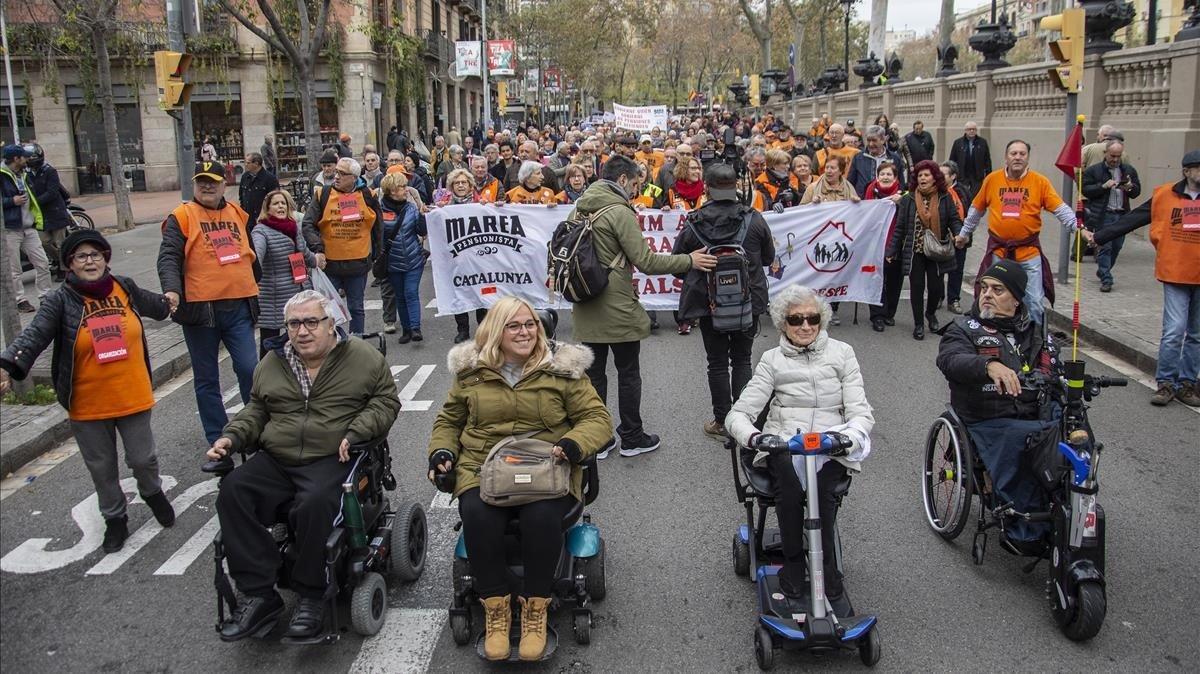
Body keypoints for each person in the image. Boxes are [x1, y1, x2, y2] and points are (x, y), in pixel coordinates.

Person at [207, 290, 399, 642]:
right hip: (278, 456)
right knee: (233, 491)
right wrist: (231, 438)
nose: (302, 331)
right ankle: (260, 594)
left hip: (333, 455)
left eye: (311, 322)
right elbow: (257, 410)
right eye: (294, 323)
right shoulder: (273, 361)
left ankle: (312, 594)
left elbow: (385, 402)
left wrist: (356, 432)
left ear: (331, 324)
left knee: (315, 503)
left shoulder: (362, 357)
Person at [427, 296, 611, 661]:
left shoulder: (563, 370)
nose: (525, 332)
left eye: (530, 324)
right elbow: (449, 421)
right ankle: (496, 608)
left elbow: (597, 418)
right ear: (496, 331)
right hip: (483, 466)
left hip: (546, 466)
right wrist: (442, 452)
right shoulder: (471, 373)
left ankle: (535, 609)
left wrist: (574, 443)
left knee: (539, 516)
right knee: (477, 513)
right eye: (514, 326)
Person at [1, 230, 175, 553]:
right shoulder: (60, 300)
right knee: (102, 468)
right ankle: (115, 519)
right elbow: (34, 335)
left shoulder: (124, 286)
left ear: (105, 259)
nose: (90, 261)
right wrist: (8, 364)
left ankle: (152, 491)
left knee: (143, 459)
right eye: (81, 256)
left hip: (132, 393)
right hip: (88, 402)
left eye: (96, 254)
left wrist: (172, 300)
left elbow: (158, 306)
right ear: (70, 264)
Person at [725, 285, 873, 611]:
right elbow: (737, 415)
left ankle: (828, 573)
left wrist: (850, 436)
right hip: (785, 443)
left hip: (830, 443)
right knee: (789, 491)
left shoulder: (843, 353)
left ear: (822, 319)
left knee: (823, 493)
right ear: (783, 324)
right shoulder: (772, 360)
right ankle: (792, 566)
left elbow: (861, 412)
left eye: (812, 318)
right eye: (796, 319)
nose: (806, 326)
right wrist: (756, 438)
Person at [570, 155, 716, 458]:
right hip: (617, 305)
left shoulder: (579, 207)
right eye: (635, 184)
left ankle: (598, 438)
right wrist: (689, 260)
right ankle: (632, 436)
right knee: (628, 373)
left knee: (594, 376)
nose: (636, 190)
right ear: (622, 179)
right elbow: (646, 261)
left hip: (585, 301)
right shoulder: (619, 211)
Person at [936, 261, 1062, 553]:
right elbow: (950, 360)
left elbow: (1054, 371)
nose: (987, 295)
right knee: (1023, 439)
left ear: (1016, 299)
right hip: (988, 416)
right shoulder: (964, 329)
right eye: (984, 288)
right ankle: (1025, 527)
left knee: (1073, 429)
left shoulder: (1037, 333)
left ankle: (1072, 503)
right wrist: (988, 365)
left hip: (1034, 411)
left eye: (997, 290)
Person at [158, 161, 260, 446]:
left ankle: (253, 428)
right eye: (201, 181)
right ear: (194, 184)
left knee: (249, 369)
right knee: (206, 378)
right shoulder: (181, 216)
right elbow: (168, 256)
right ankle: (217, 436)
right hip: (201, 312)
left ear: (224, 185)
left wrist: (258, 281)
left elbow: (250, 253)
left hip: (238, 306)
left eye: (213, 181)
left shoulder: (237, 213)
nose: (207, 186)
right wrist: (172, 290)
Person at [672, 163, 774, 438]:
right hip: (748, 301)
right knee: (742, 359)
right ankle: (742, 421)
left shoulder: (693, 222)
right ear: (735, 187)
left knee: (716, 363)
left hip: (709, 303)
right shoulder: (754, 219)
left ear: (706, 188)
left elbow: (678, 265)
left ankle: (721, 421)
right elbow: (768, 258)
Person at [1093, 149, 1200, 407]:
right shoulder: (1165, 195)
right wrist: (1099, 237)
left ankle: (1187, 384)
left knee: (1196, 334)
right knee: (1174, 330)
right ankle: (1166, 383)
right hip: (1175, 272)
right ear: (1186, 171)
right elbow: (1135, 218)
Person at [955, 140, 1080, 325]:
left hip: (1028, 253)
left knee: (1034, 302)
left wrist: (1078, 227)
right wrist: (964, 234)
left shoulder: (1040, 181)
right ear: (1006, 157)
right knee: (992, 299)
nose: (1018, 157)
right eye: (1013, 153)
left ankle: (1036, 338)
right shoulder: (992, 180)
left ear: (1028, 158)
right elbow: (976, 210)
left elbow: (1060, 209)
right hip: (999, 252)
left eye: (1022, 154)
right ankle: (993, 334)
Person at [301, 157, 383, 335]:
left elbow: (378, 227)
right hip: (329, 264)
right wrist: (318, 249)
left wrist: (377, 254)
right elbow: (307, 224)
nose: (336, 176)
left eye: (342, 173)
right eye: (336, 172)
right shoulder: (322, 194)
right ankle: (331, 342)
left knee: (356, 307)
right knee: (327, 309)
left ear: (354, 177)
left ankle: (356, 343)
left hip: (358, 262)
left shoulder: (368, 195)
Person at [886, 160, 963, 340]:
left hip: (937, 250)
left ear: (935, 178)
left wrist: (959, 234)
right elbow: (900, 228)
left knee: (936, 288)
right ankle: (919, 324)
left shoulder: (945, 197)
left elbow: (954, 219)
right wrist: (892, 250)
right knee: (917, 288)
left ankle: (930, 313)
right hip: (915, 251)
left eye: (926, 175)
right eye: (920, 175)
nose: (923, 178)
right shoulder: (908, 199)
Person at [252, 189, 315, 357]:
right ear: (267, 208)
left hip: (297, 292)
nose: (280, 206)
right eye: (275, 204)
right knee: (269, 344)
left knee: (297, 339)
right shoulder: (261, 231)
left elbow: (304, 253)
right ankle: (268, 373)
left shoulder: (293, 227)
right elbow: (257, 256)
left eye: (283, 203)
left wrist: (317, 260)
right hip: (273, 297)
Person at [1081, 140, 1141, 293]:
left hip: (1122, 215)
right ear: (1105, 153)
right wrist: (1103, 186)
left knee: (1117, 246)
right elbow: (1085, 190)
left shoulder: (1128, 170)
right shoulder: (1094, 170)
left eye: (1118, 156)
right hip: (1104, 214)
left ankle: (1103, 270)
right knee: (1105, 247)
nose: (1115, 159)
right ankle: (1106, 278)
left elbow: (1136, 192)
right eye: (1112, 156)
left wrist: (1130, 187)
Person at [2, 144, 53, 312]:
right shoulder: (2, 176)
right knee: (14, 269)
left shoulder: (24, 174)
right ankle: (20, 300)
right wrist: (11, 201)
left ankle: (45, 296)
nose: (27, 159)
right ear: (16, 159)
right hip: (10, 229)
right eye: (24, 157)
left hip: (29, 227)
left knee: (42, 262)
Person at [378, 171, 428, 344]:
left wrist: (422, 216)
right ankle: (406, 329)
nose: (407, 189)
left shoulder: (411, 208)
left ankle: (415, 328)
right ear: (392, 190)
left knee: (411, 292)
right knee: (399, 296)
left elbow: (421, 231)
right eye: (403, 187)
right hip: (393, 261)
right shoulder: (379, 211)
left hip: (413, 259)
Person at [865, 161, 905, 332]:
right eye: (882, 174)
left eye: (889, 174)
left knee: (894, 280)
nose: (885, 177)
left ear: (895, 178)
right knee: (875, 279)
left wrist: (901, 203)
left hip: (897, 243)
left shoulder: (904, 195)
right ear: (877, 176)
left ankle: (889, 313)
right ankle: (877, 315)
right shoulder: (870, 191)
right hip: (875, 243)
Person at [25, 143, 71, 282]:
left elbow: (52, 191)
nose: (29, 160)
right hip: (40, 214)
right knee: (44, 241)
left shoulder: (49, 171)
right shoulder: (27, 173)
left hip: (55, 211)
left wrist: (35, 202)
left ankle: (64, 269)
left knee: (60, 242)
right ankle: (57, 259)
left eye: (32, 157)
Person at [940, 160, 972, 315]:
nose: (939, 176)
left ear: (953, 176)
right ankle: (938, 296)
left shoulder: (963, 191)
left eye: (943, 174)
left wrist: (964, 233)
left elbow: (971, 213)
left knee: (957, 270)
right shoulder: (935, 189)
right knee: (938, 269)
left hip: (959, 236)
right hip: (940, 236)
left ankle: (953, 300)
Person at [849, 125, 905, 197]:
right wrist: (853, 196)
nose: (870, 144)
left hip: (888, 200)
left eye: (874, 140)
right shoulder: (858, 158)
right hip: (863, 200)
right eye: (868, 140)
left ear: (883, 140)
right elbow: (850, 182)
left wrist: (899, 195)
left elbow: (900, 182)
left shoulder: (894, 158)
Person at [947, 122, 991, 200]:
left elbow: (987, 160)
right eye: (969, 129)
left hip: (977, 175)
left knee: (976, 196)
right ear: (965, 130)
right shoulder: (958, 143)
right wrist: (952, 174)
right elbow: (952, 160)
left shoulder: (982, 142)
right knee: (963, 195)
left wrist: (988, 176)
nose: (971, 131)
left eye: (974, 129)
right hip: (962, 175)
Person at [238, 152, 279, 233]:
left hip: (263, 220)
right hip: (247, 220)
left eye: (248, 163)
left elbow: (276, 199)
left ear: (256, 164)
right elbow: (241, 196)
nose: (245, 165)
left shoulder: (270, 179)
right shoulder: (245, 177)